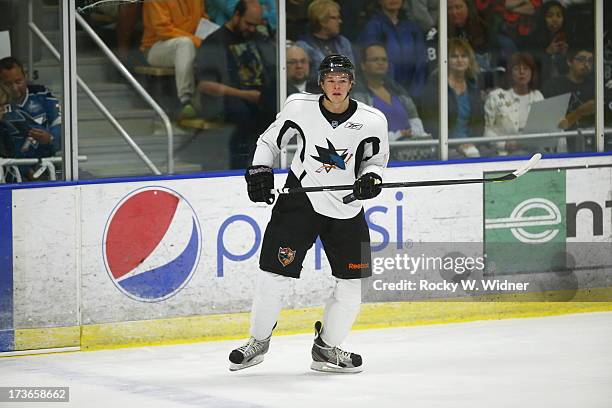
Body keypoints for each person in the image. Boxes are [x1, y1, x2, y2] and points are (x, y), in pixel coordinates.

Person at [229, 55, 389, 373]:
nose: (337, 85)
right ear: (321, 83)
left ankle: (326, 349)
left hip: (346, 206)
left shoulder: (372, 120)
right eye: (331, 80)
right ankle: (258, 342)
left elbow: (376, 160)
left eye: (343, 79)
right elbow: (268, 141)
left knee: (351, 286)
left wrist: (371, 178)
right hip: (300, 199)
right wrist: (259, 169)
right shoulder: (298, 107)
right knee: (273, 276)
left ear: (352, 83)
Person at [195, 0, 277, 169]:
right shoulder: (214, 42)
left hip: (260, 97)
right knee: (244, 114)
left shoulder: (260, 39)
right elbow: (205, 85)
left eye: (256, 25)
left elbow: (275, 71)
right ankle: (238, 168)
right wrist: (244, 95)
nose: (252, 29)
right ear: (237, 15)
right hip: (229, 99)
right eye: (248, 24)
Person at [140, 0, 209, 120]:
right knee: (184, 44)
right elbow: (164, 31)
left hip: (191, 42)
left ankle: (210, 104)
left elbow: (203, 20)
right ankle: (186, 100)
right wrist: (198, 41)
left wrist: (211, 39)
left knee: (213, 45)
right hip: (156, 46)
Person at [419, 38, 485, 158]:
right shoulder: (435, 86)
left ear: (469, 60)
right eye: (454, 56)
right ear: (446, 60)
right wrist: (455, 144)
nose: (459, 60)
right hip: (446, 146)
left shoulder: (473, 86)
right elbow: (430, 124)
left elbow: (479, 122)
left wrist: (472, 142)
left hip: (472, 145)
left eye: (463, 56)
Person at [352, 43, 426, 140]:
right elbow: (361, 132)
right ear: (363, 65)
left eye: (384, 60)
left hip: (410, 149)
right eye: (375, 59)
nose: (380, 63)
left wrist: (413, 133)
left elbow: (416, 122)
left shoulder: (398, 90)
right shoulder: (356, 93)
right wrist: (397, 135)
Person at [357, 0, 429, 97]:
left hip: (413, 94)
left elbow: (421, 62)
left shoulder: (412, 27)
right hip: (384, 93)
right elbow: (373, 62)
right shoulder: (373, 27)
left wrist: (416, 93)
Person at [0, 57, 61, 162]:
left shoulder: (42, 95)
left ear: (25, 77)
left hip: (45, 163)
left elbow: (62, 127)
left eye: (18, 81)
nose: (14, 88)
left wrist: (50, 138)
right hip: (9, 169)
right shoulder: (1, 105)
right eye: (8, 84)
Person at [484, 52, 543, 155]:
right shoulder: (496, 97)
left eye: (526, 68)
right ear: (510, 73)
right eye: (516, 69)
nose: (522, 72)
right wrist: (504, 145)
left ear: (532, 73)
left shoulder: (538, 96)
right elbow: (488, 131)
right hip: (506, 153)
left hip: (535, 150)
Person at [542, 45, 594, 151]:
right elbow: (551, 124)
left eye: (590, 60)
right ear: (569, 62)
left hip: (592, 140)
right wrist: (579, 112)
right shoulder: (554, 85)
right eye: (581, 60)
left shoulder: (596, 86)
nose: (586, 64)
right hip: (560, 143)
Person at [296, 0, 355, 83]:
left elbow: (351, 71)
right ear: (322, 21)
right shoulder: (303, 46)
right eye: (334, 18)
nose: (340, 21)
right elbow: (311, 76)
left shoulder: (343, 42)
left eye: (339, 17)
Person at [527, 1, 569, 79]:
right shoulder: (533, 39)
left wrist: (565, 56)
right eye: (550, 16)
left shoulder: (569, 38)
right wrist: (548, 53)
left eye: (559, 16)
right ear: (543, 18)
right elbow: (530, 68)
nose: (555, 19)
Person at [206, 0, 277, 35]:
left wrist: (260, 15)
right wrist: (261, 15)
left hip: (250, 36)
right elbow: (233, 9)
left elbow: (276, 14)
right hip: (220, 38)